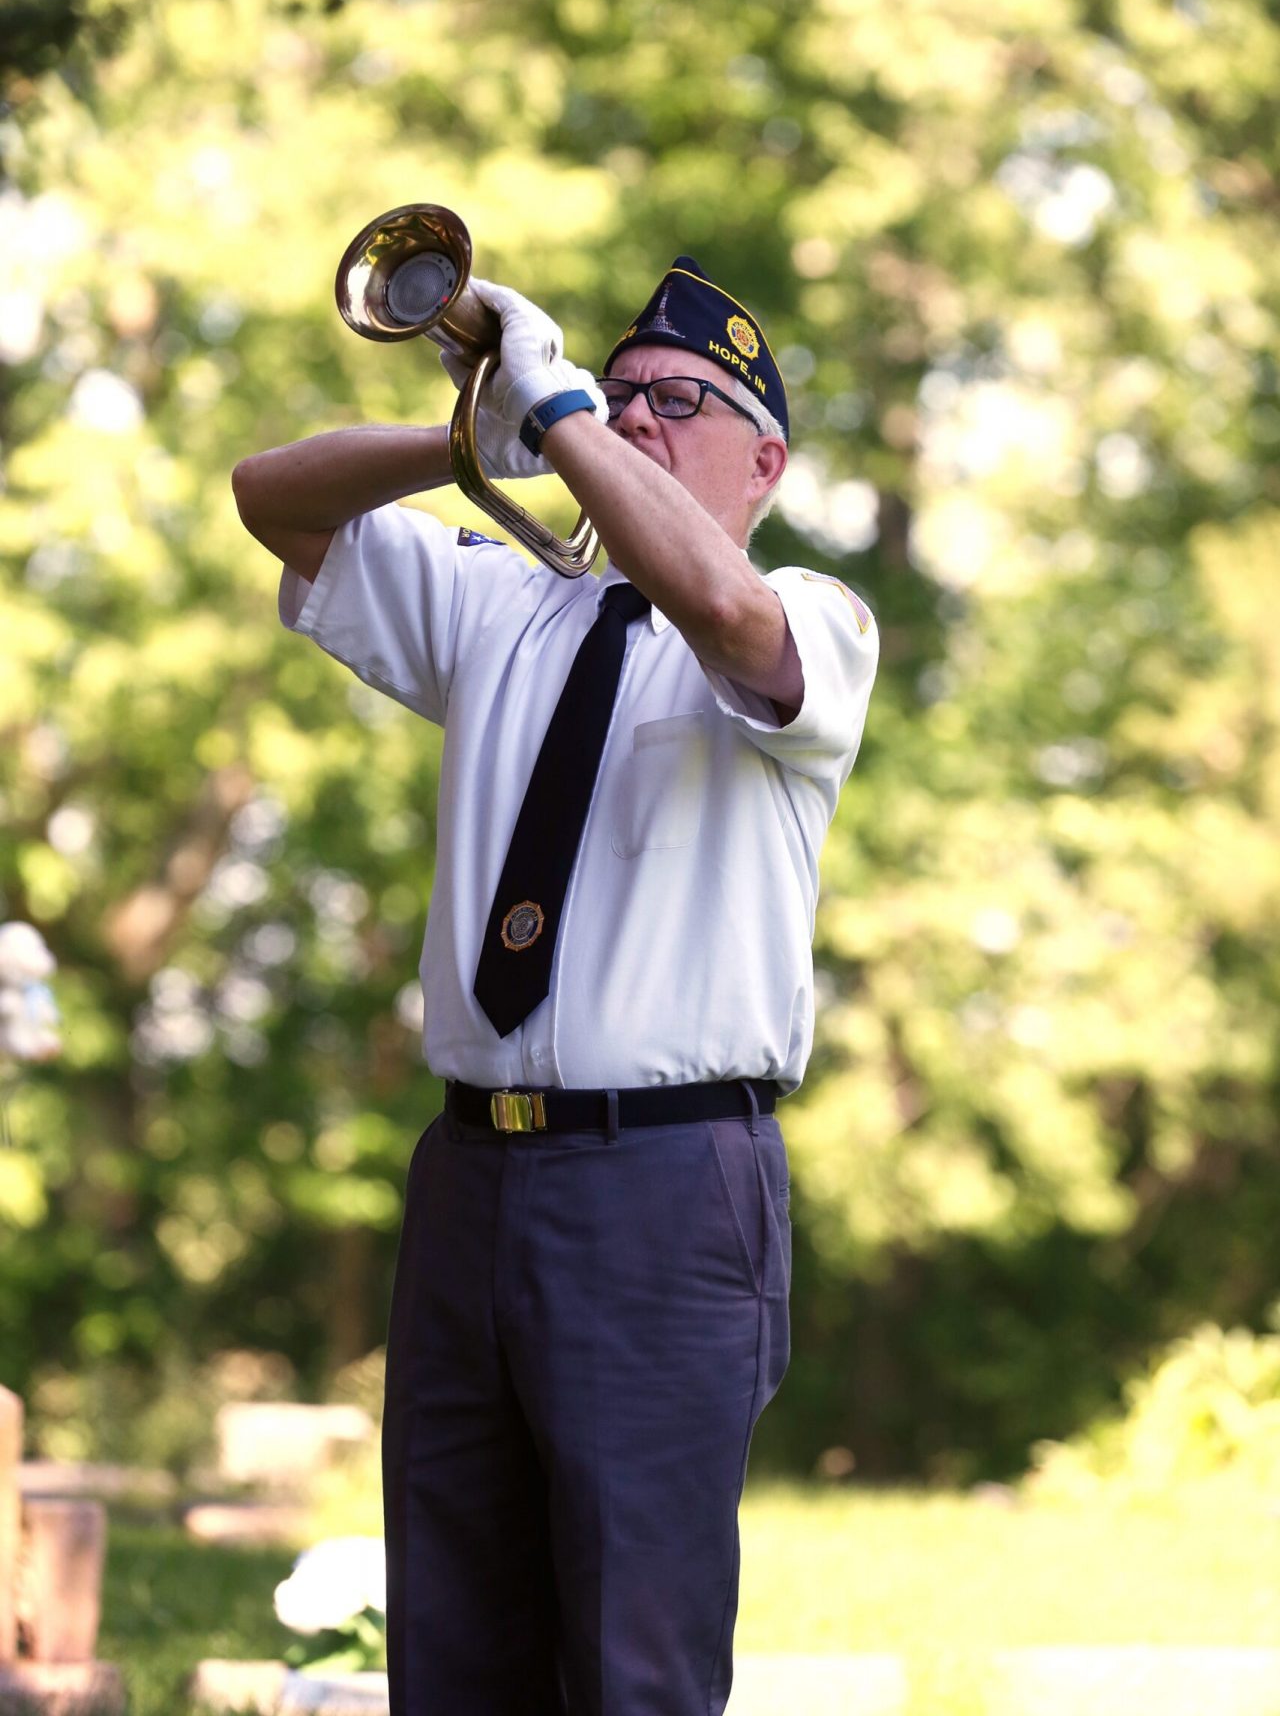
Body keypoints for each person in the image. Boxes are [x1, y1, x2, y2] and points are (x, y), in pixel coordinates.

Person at [231, 254, 878, 1716]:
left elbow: (726, 616)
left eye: (680, 402)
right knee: (453, 1646)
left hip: (664, 1179)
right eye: (621, 390)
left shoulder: (809, 613)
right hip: (471, 1170)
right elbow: (273, 497)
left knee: (633, 1663)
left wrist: (568, 409)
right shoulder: (508, 605)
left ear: (765, 462)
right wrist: (470, 438)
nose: (637, 416)